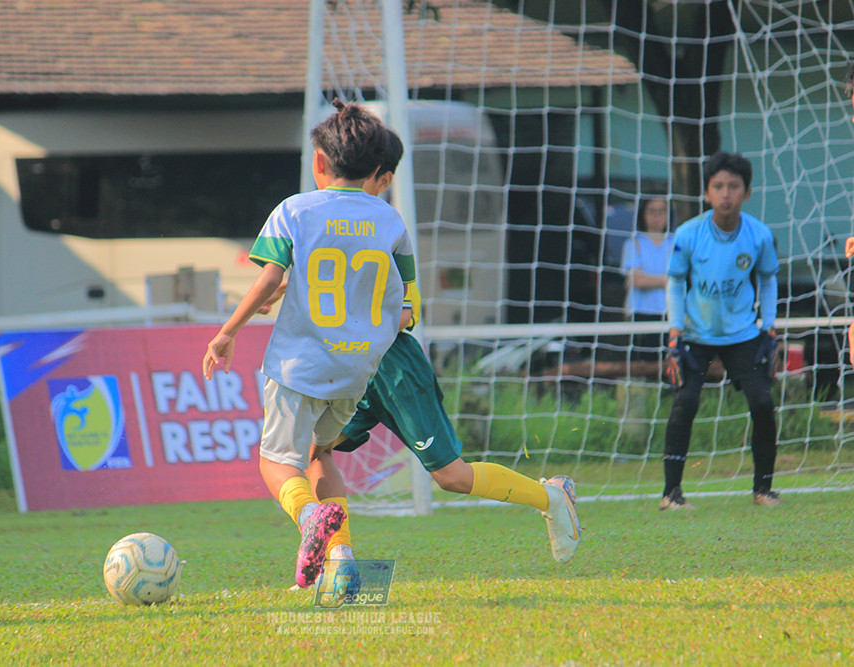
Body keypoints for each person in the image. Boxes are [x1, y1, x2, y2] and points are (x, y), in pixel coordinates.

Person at [294, 129, 581, 587]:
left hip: (392, 368)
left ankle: (551, 497)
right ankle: (340, 558)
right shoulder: (323, 221)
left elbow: (411, 305)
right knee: (316, 450)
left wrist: (380, 315)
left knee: (451, 477)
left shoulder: (384, 228)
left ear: (382, 179)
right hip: (346, 367)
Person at [202, 101, 416, 589]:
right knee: (322, 456)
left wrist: (227, 331)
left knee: (277, 462)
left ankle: (309, 520)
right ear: (376, 167)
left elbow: (270, 274)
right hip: (357, 368)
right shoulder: (390, 222)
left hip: (301, 364)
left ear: (320, 162)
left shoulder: (294, 210)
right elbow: (398, 295)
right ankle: (342, 564)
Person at [661, 151, 780, 510]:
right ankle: (671, 494)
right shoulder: (688, 234)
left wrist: (769, 326)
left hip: (744, 333)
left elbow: (768, 278)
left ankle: (763, 490)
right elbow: (675, 281)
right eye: (718, 186)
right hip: (696, 334)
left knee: (762, 403)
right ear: (706, 193)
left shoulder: (759, 235)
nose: (726, 193)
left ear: (747, 192)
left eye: (734, 186)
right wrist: (675, 330)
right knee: (685, 403)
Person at [621, 195, 674, 361]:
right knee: (643, 363)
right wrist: (666, 281)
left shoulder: (676, 243)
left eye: (661, 211)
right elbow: (638, 281)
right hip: (641, 312)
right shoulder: (634, 243)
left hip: (670, 312)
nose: (656, 216)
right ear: (643, 214)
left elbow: (683, 279)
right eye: (651, 211)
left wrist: (651, 279)